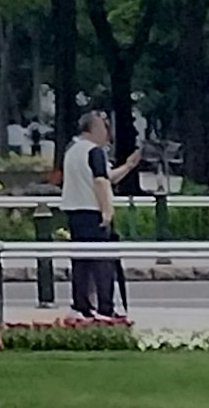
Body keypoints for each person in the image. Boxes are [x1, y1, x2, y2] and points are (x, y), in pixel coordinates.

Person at [59, 130, 126, 323]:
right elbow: (100, 180)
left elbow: (105, 176)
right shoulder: (95, 151)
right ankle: (105, 307)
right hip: (93, 212)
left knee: (81, 262)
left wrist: (128, 166)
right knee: (102, 262)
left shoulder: (71, 151)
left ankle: (82, 306)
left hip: (74, 211)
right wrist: (107, 211)